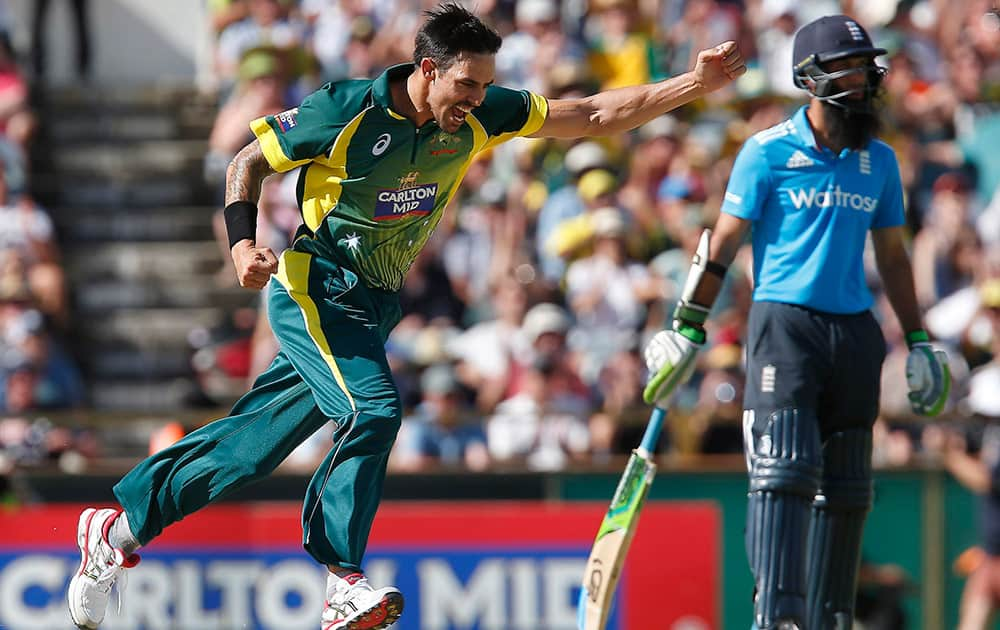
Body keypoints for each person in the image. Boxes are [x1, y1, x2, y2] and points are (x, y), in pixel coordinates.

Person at [66, 4, 745, 629]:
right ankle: (341, 578)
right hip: (315, 284)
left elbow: (592, 114)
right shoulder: (347, 110)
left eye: (485, 86)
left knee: (252, 446)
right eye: (467, 85)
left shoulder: (479, 115)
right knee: (374, 410)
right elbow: (247, 161)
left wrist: (691, 84)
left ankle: (117, 532)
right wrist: (243, 241)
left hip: (373, 305)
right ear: (427, 69)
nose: (477, 100)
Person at [642, 15, 950, 630]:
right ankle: (778, 617)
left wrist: (919, 339)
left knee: (847, 486)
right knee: (782, 473)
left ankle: (832, 617)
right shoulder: (767, 152)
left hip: (855, 333)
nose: (863, 81)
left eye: (867, 69)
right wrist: (687, 327)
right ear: (811, 77)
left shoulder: (880, 162)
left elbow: (892, 255)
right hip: (785, 325)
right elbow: (723, 245)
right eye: (849, 69)